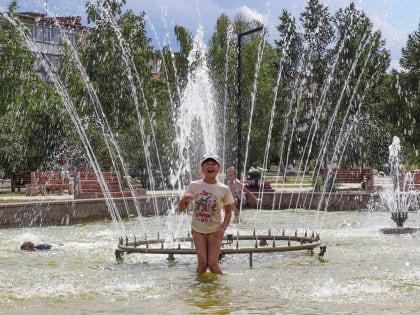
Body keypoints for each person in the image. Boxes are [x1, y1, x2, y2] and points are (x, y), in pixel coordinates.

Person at [178, 153, 234, 275]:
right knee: (202, 263)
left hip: (215, 230)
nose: (210, 166)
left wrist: (222, 229)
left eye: (213, 164)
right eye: (207, 164)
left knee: (213, 264)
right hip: (198, 229)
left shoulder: (224, 189)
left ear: (218, 168)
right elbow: (181, 209)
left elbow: (229, 212)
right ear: (202, 168)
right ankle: (199, 291)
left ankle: (223, 288)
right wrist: (184, 200)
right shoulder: (194, 185)